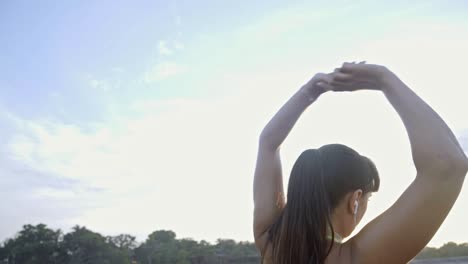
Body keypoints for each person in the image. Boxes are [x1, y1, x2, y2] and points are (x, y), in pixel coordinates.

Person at [253, 62, 468, 264]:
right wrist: (384, 79)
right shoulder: (356, 258)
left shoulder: (271, 243)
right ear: (354, 200)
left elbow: (268, 143)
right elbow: (447, 165)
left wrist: (308, 92)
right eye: (368, 199)